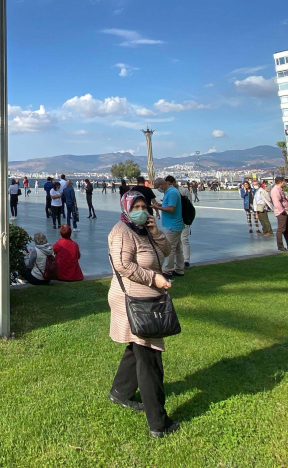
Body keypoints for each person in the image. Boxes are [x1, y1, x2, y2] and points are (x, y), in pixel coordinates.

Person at [108, 190, 180, 438]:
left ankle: (120, 392)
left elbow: (167, 252)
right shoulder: (121, 232)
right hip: (133, 301)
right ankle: (159, 424)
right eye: (136, 206)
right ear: (126, 208)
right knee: (150, 359)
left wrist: (156, 231)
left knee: (137, 345)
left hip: (148, 299)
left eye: (144, 205)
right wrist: (154, 278)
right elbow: (123, 265)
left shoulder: (145, 230)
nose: (141, 209)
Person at [151, 176, 184, 277]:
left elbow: (171, 209)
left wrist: (157, 208)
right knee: (178, 248)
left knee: (170, 248)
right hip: (173, 224)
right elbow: (168, 205)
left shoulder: (172, 192)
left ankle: (168, 270)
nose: (158, 190)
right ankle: (179, 269)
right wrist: (160, 205)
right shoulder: (168, 192)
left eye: (158, 187)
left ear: (162, 185)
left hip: (173, 225)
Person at [271, 176, 288, 251]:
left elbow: (281, 200)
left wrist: (286, 199)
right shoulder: (275, 190)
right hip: (282, 213)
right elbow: (276, 202)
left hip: (286, 211)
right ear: (281, 182)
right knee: (281, 229)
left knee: (286, 229)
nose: (285, 183)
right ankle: (280, 246)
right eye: (284, 181)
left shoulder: (280, 189)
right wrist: (282, 211)